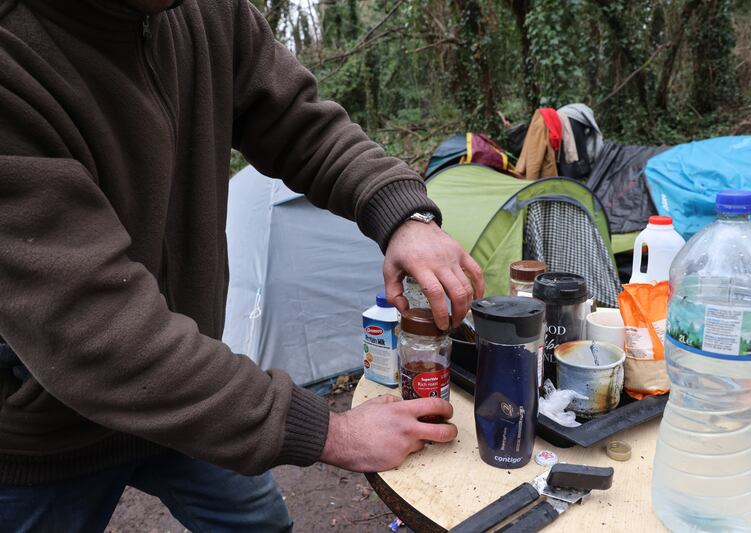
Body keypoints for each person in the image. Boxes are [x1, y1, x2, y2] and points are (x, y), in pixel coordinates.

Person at [0, 0, 484, 531]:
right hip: (43, 430)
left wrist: (401, 213)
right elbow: (95, 330)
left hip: (197, 394)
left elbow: (300, 125)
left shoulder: (206, 11)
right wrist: (333, 432)